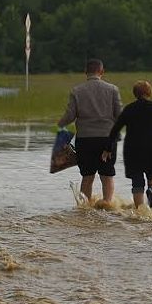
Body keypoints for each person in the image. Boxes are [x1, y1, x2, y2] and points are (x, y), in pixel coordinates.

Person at [57, 58, 122, 204]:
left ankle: (84, 209)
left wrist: (59, 125)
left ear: (85, 72)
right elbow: (119, 115)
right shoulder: (113, 90)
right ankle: (108, 204)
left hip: (85, 140)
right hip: (107, 139)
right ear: (102, 72)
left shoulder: (76, 90)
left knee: (87, 176)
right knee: (107, 175)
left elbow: (70, 116)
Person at [106, 80, 152, 209]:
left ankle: (140, 212)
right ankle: (151, 189)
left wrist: (108, 148)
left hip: (132, 150)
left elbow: (115, 129)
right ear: (149, 92)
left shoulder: (129, 109)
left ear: (135, 93)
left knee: (137, 182)